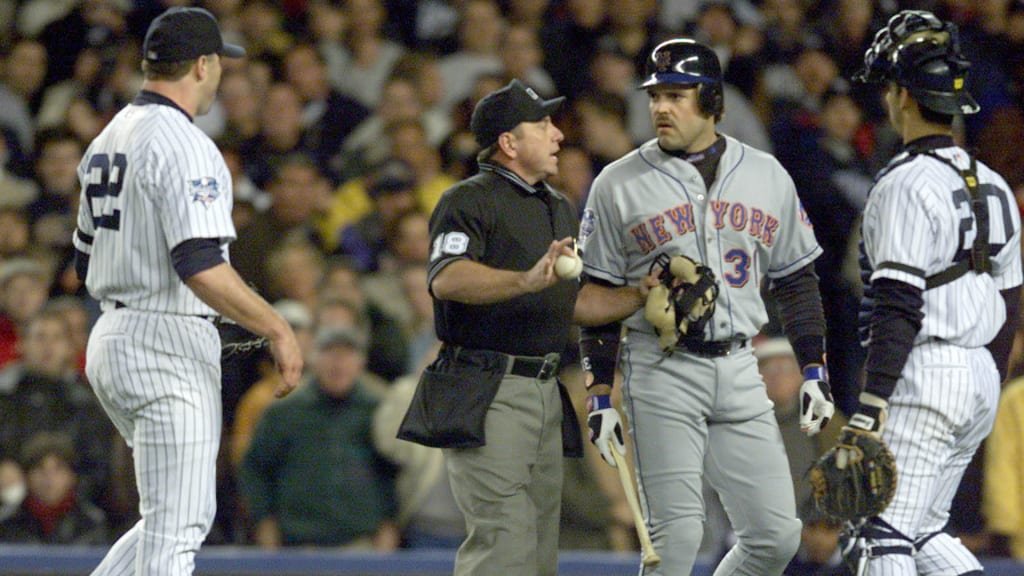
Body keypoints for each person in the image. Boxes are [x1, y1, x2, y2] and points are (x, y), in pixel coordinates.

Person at [572, 39, 834, 576]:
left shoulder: (766, 174)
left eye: (676, 95)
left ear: (711, 101)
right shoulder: (616, 184)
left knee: (776, 536)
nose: (660, 107)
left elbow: (797, 279)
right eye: (655, 96)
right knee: (678, 536)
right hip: (659, 367)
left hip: (742, 364)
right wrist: (600, 393)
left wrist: (813, 368)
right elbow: (594, 298)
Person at [71, 7, 303, 575]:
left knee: (170, 522)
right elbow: (199, 264)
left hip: (116, 334)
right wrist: (276, 325)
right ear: (202, 64)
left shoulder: (108, 136)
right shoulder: (184, 142)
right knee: (177, 532)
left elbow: (83, 258)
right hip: (163, 338)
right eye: (220, 61)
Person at [844, 10, 1022, 575]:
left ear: (901, 95)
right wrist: (988, 382)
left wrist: (871, 404)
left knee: (883, 535)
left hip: (925, 372)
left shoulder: (904, 182)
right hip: (977, 377)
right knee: (923, 532)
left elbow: (898, 301)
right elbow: (1011, 301)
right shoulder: (993, 183)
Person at [400, 78, 582, 576]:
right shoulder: (467, 200)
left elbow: (574, 301)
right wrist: (525, 280)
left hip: (545, 389)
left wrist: (640, 297)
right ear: (509, 142)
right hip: (488, 386)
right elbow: (447, 279)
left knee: (540, 552)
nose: (558, 135)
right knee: (504, 547)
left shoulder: (558, 205)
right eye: (542, 125)